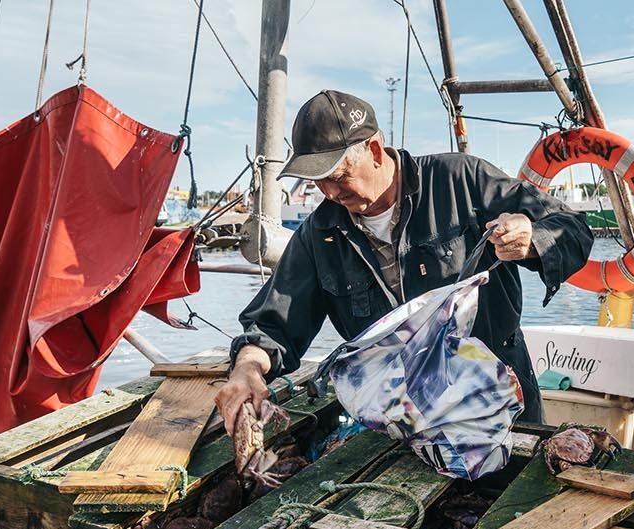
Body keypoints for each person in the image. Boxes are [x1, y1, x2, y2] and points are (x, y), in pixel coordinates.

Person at [215, 89, 593, 435]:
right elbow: (274, 323)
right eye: (318, 181)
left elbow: (573, 229)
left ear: (375, 150)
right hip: (400, 427)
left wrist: (530, 237)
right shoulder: (319, 232)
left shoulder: (461, 180)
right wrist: (248, 368)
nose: (329, 192)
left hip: (499, 410)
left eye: (338, 175)